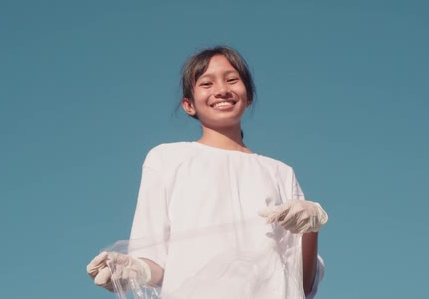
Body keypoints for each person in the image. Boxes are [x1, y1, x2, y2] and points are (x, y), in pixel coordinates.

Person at [87, 46, 328, 298]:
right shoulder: (166, 159)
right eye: (206, 83)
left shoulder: (280, 172)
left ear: (249, 97)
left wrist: (312, 228)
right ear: (188, 104)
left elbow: (302, 283)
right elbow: (155, 258)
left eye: (232, 79)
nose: (222, 90)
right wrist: (135, 271)